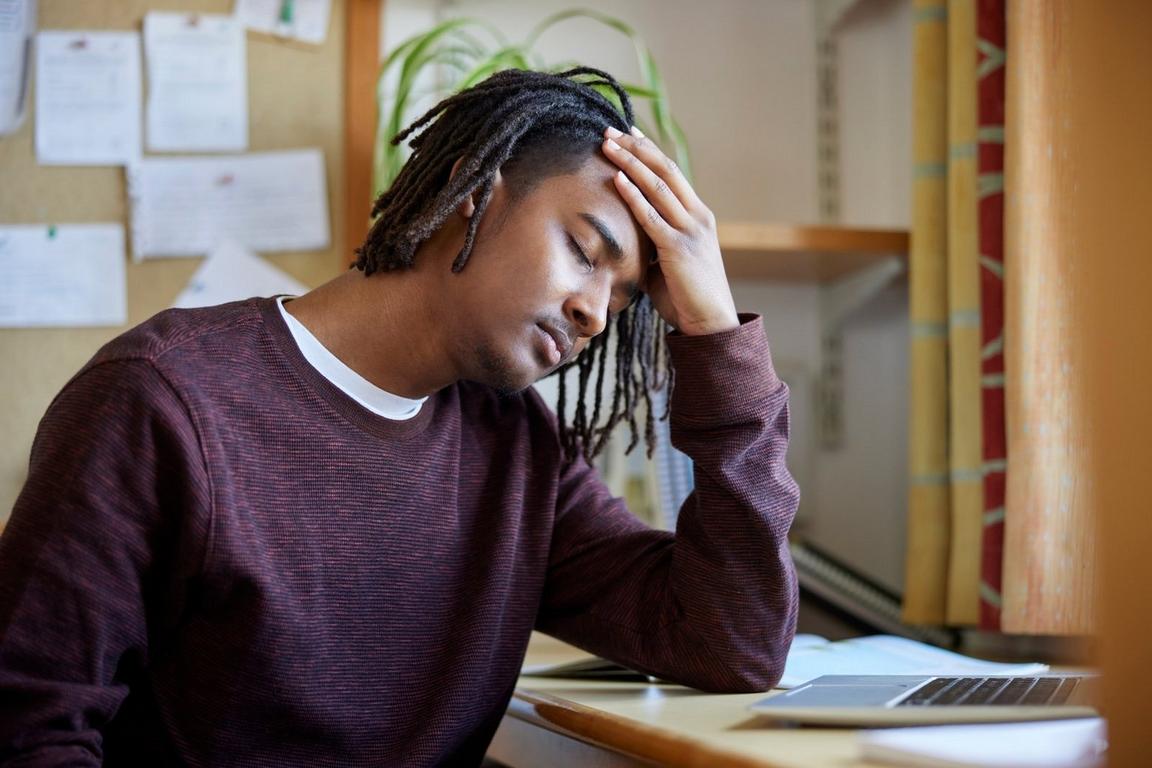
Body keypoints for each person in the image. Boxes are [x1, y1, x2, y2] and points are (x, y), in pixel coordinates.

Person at [0, 68, 799, 766]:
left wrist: (715, 336)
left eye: (624, 302)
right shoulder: (162, 400)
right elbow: (26, 729)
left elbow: (731, 642)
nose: (595, 314)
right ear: (473, 196)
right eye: (585, 252)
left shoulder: (517, 447)